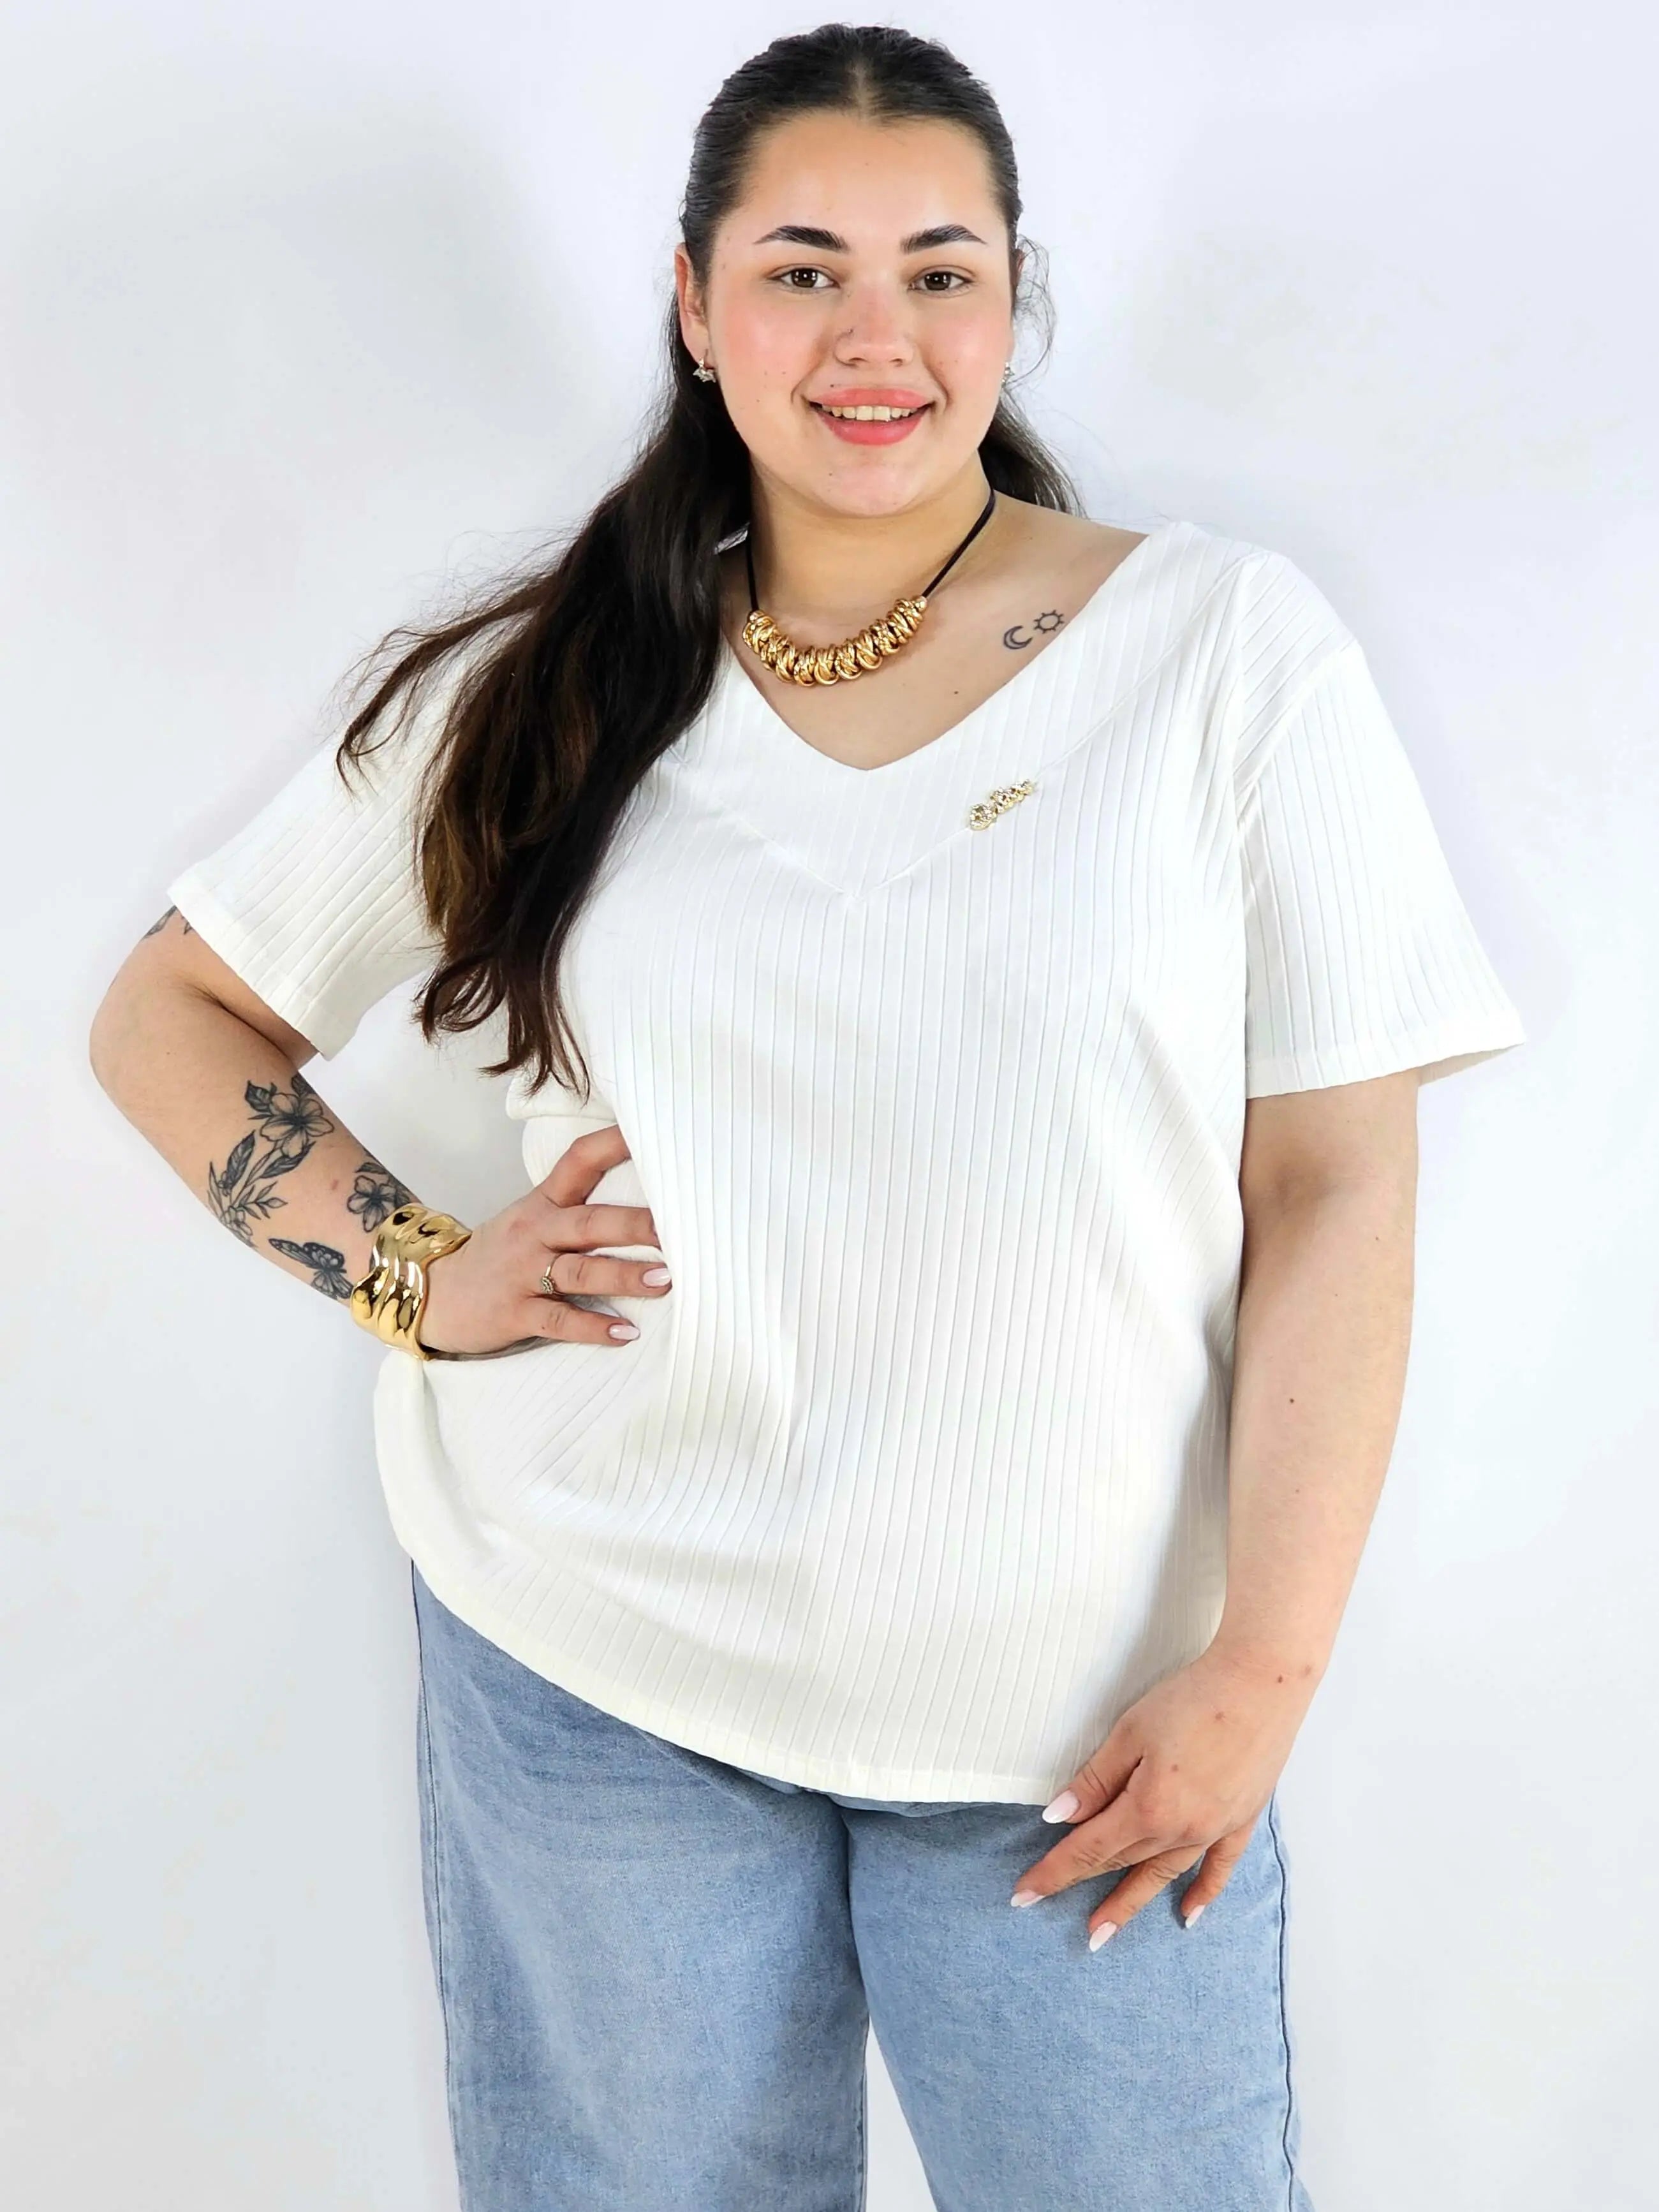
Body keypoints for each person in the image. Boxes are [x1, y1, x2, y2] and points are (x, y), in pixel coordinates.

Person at [89, 23, 1526, 2212]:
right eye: (800, 272)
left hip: (1086, 1718)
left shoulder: (1222, 654)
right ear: (694, 305)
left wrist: (1268, 1658)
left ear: (1015, 298)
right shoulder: (552, 687)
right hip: (599, 1665)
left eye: (939, 272)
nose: (877, 338)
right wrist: (413, 1276)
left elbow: (1333, 1181)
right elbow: (173, 1013)